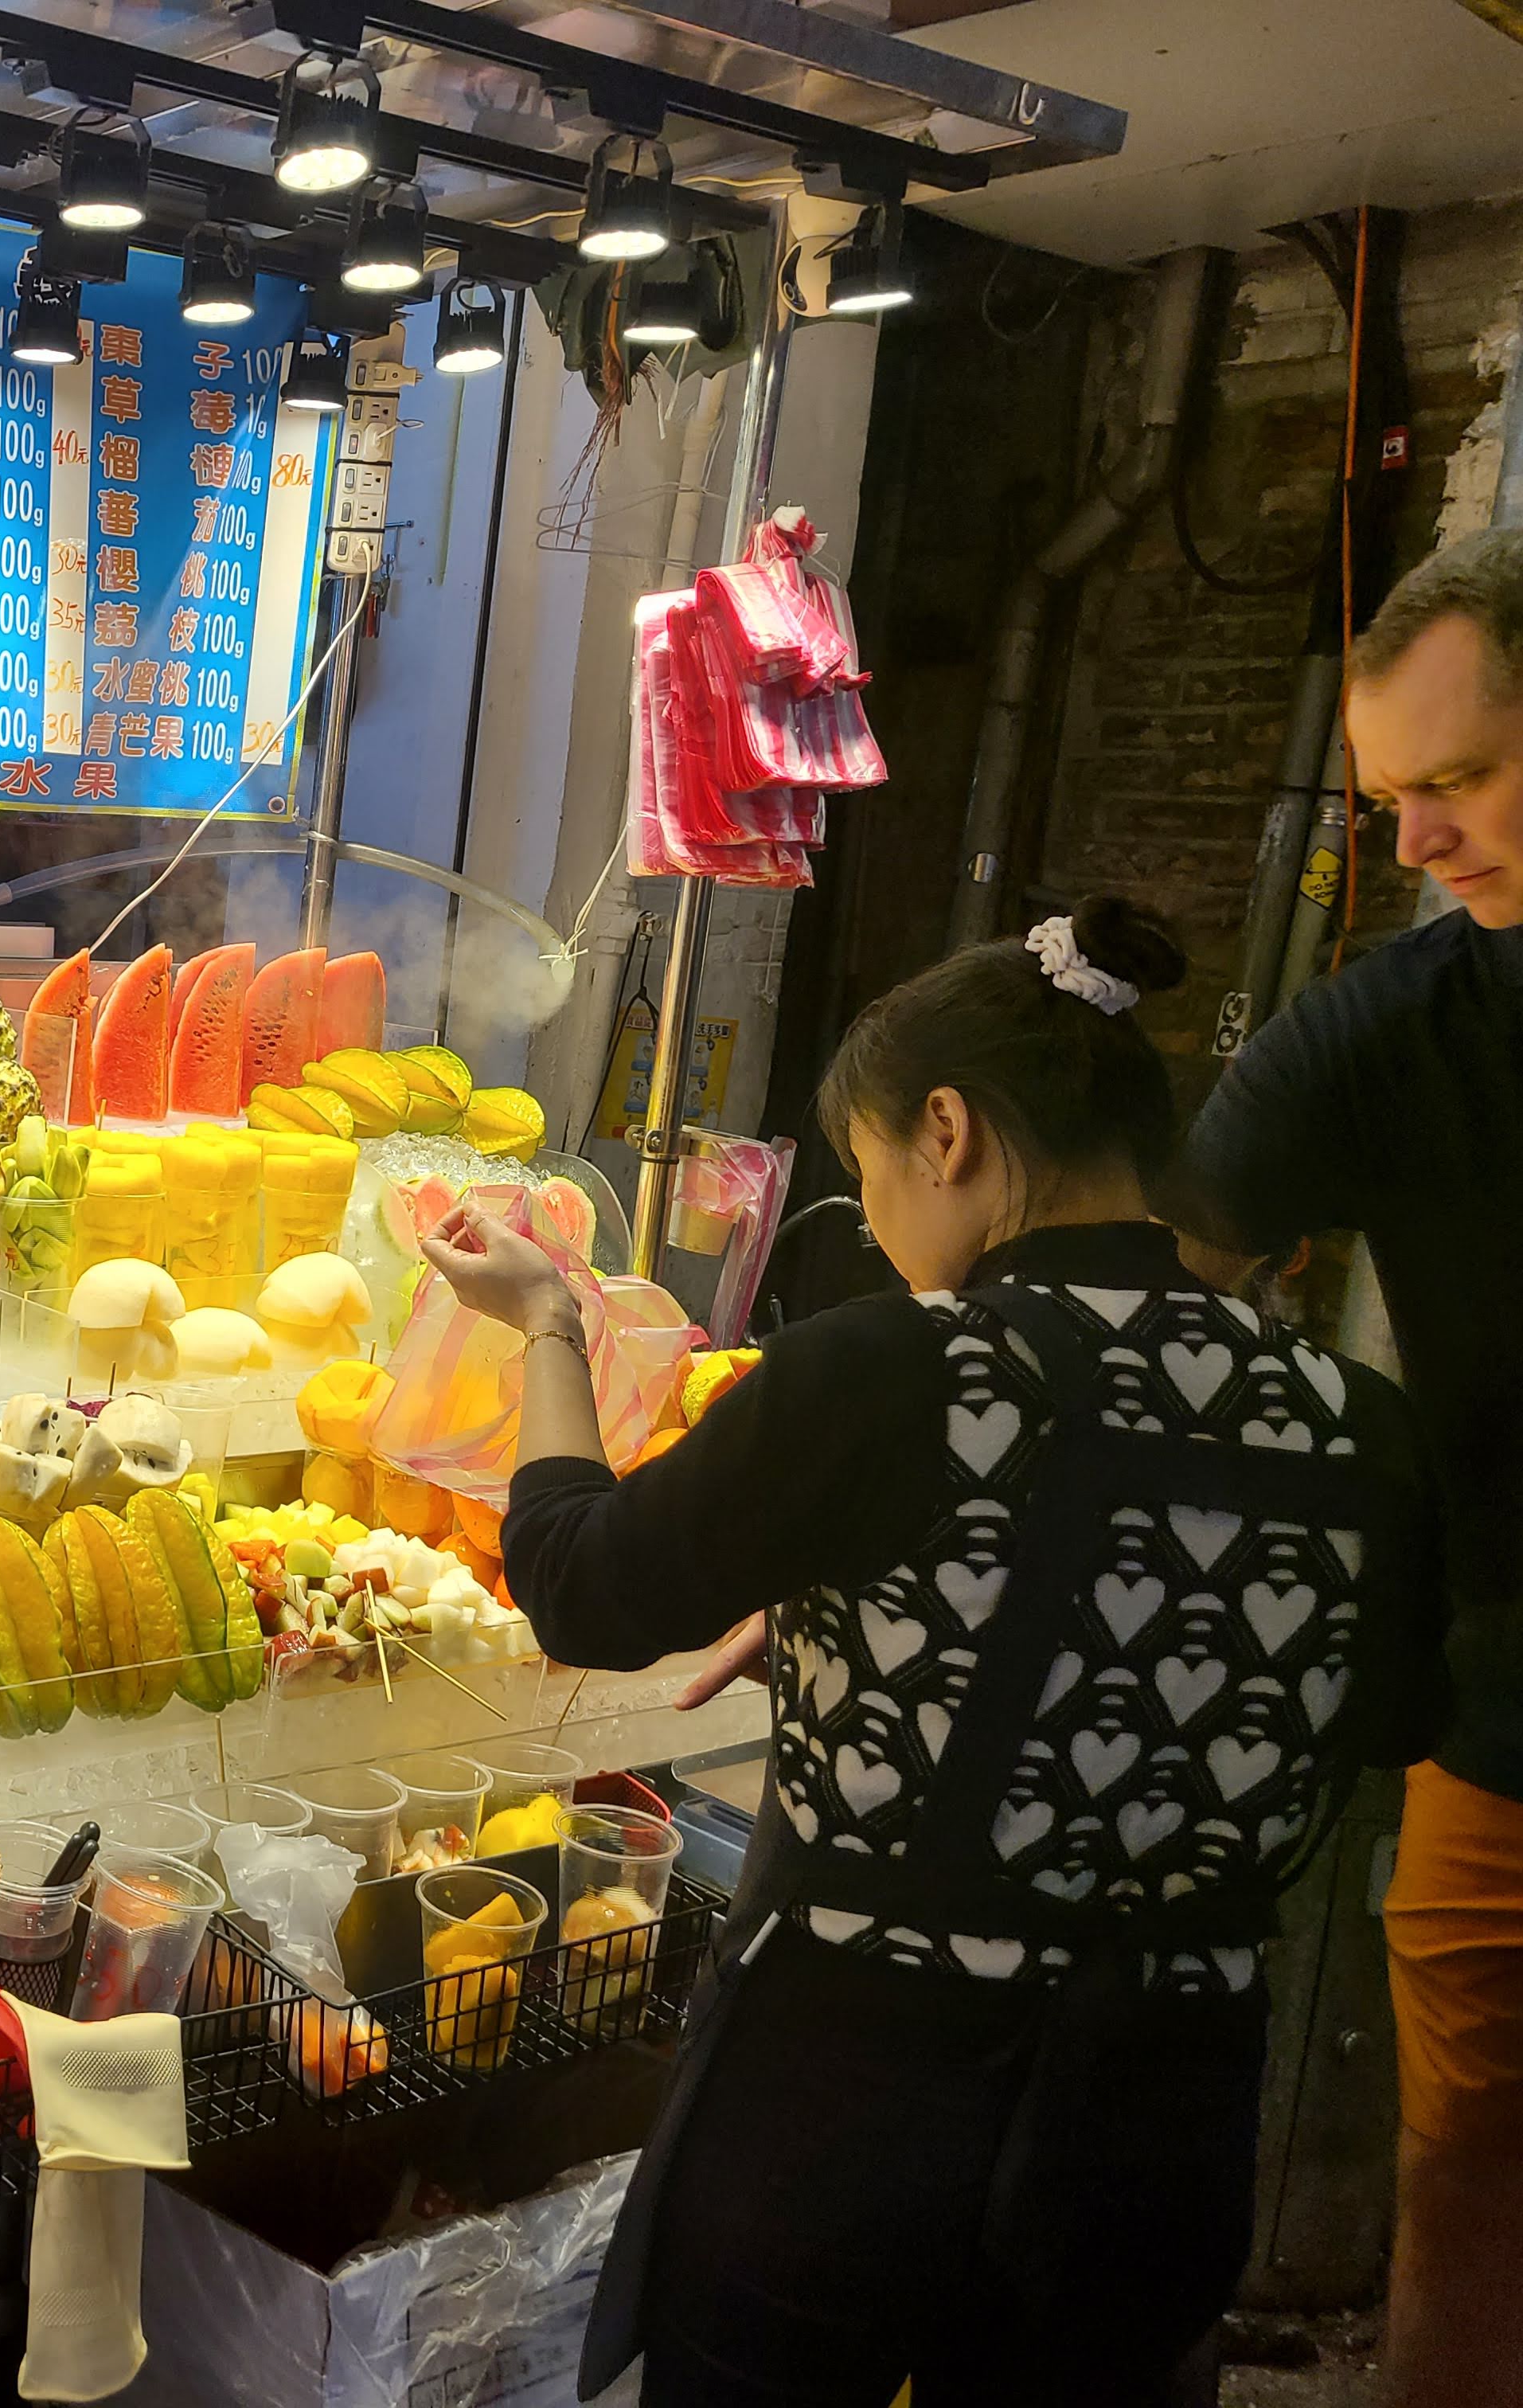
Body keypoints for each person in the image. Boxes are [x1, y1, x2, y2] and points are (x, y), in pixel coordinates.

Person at [420, 897, 1446, 2408]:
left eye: (868, 1173)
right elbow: (1369, 1717)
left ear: (947, 1133)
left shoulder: (907, 1366)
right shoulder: (1356, 1423)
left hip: (854, 2118)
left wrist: (548, 1326)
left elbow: (580, 1585)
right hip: (1159, 2139)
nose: (877, 1220)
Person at [1169, 526, 1523, 2408]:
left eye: (1459, 779)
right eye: (1391, 801)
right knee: (1466, 2168)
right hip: (1509, 1707)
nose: (1420, 841)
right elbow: (1153, 1275)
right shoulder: (1395, 1031)